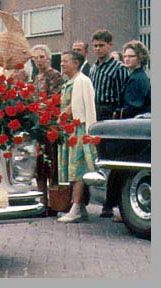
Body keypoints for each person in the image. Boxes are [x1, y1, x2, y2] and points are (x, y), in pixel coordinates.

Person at [89, 29, 128, 218]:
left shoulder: (119, 68)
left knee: (113, 160)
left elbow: (122, 94)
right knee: (98, 159)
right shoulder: (93, 68)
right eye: (95, 46)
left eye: (101, 46)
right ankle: (101, 199)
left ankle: (111, 204)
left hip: (111, 112)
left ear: (110, 46)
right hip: (96, 111)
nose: (98, 49)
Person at [57, 51, 98, 223]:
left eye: (65, 61)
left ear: (75, 63)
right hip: (69, 130)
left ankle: (76, 207)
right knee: (71, 168)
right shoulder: (69, 82)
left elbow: (81, 106)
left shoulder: (82, 81)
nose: (62, 64)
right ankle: (79, 207)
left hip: (79, 129)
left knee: (78, 168)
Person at [31, 44, 64, 215]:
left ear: (49, 58)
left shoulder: (56, 76)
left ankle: (54, 201)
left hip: (50, 125)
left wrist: (42, 106)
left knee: (52, 164)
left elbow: (56, 99)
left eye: (41, 57)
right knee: (40, 166)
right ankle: (42, 200)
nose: (38, 61)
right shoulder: (36, 77)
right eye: (35, 58)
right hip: (38, 125)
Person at [119, 40, 151, 118]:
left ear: (140, 58)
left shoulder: (137, 79)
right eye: (125, 56)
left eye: (131, 56)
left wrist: (118, 113)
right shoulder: (136, 76)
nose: (126, 59)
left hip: (135, 122)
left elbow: (133, 107)